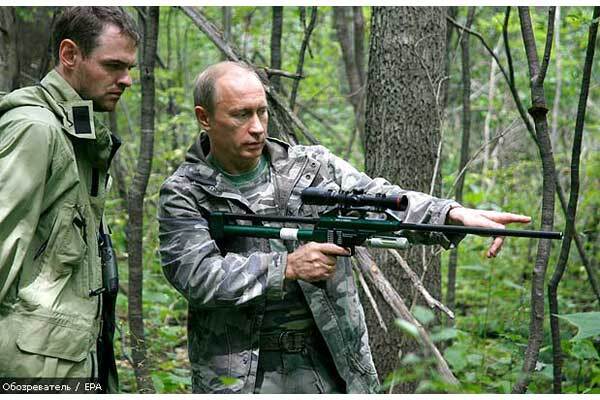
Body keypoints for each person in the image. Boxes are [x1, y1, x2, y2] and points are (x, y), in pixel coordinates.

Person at [158, 61, 531, 394]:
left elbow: (377, 198)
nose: (256, 128)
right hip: (238, 376)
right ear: (204, 118)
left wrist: (450, 214)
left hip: (330, 366)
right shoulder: (185, 192)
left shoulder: (310, 167)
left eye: (262, 112)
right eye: (240, 115)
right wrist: (286, 267)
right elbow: (195, 275)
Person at [0, 6, 138, 393]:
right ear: (69, 55)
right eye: (113, 66)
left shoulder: (75, 131)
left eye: (129, 68)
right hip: (31, 373)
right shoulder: (35, 130)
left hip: (65, 362)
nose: (126, 80)